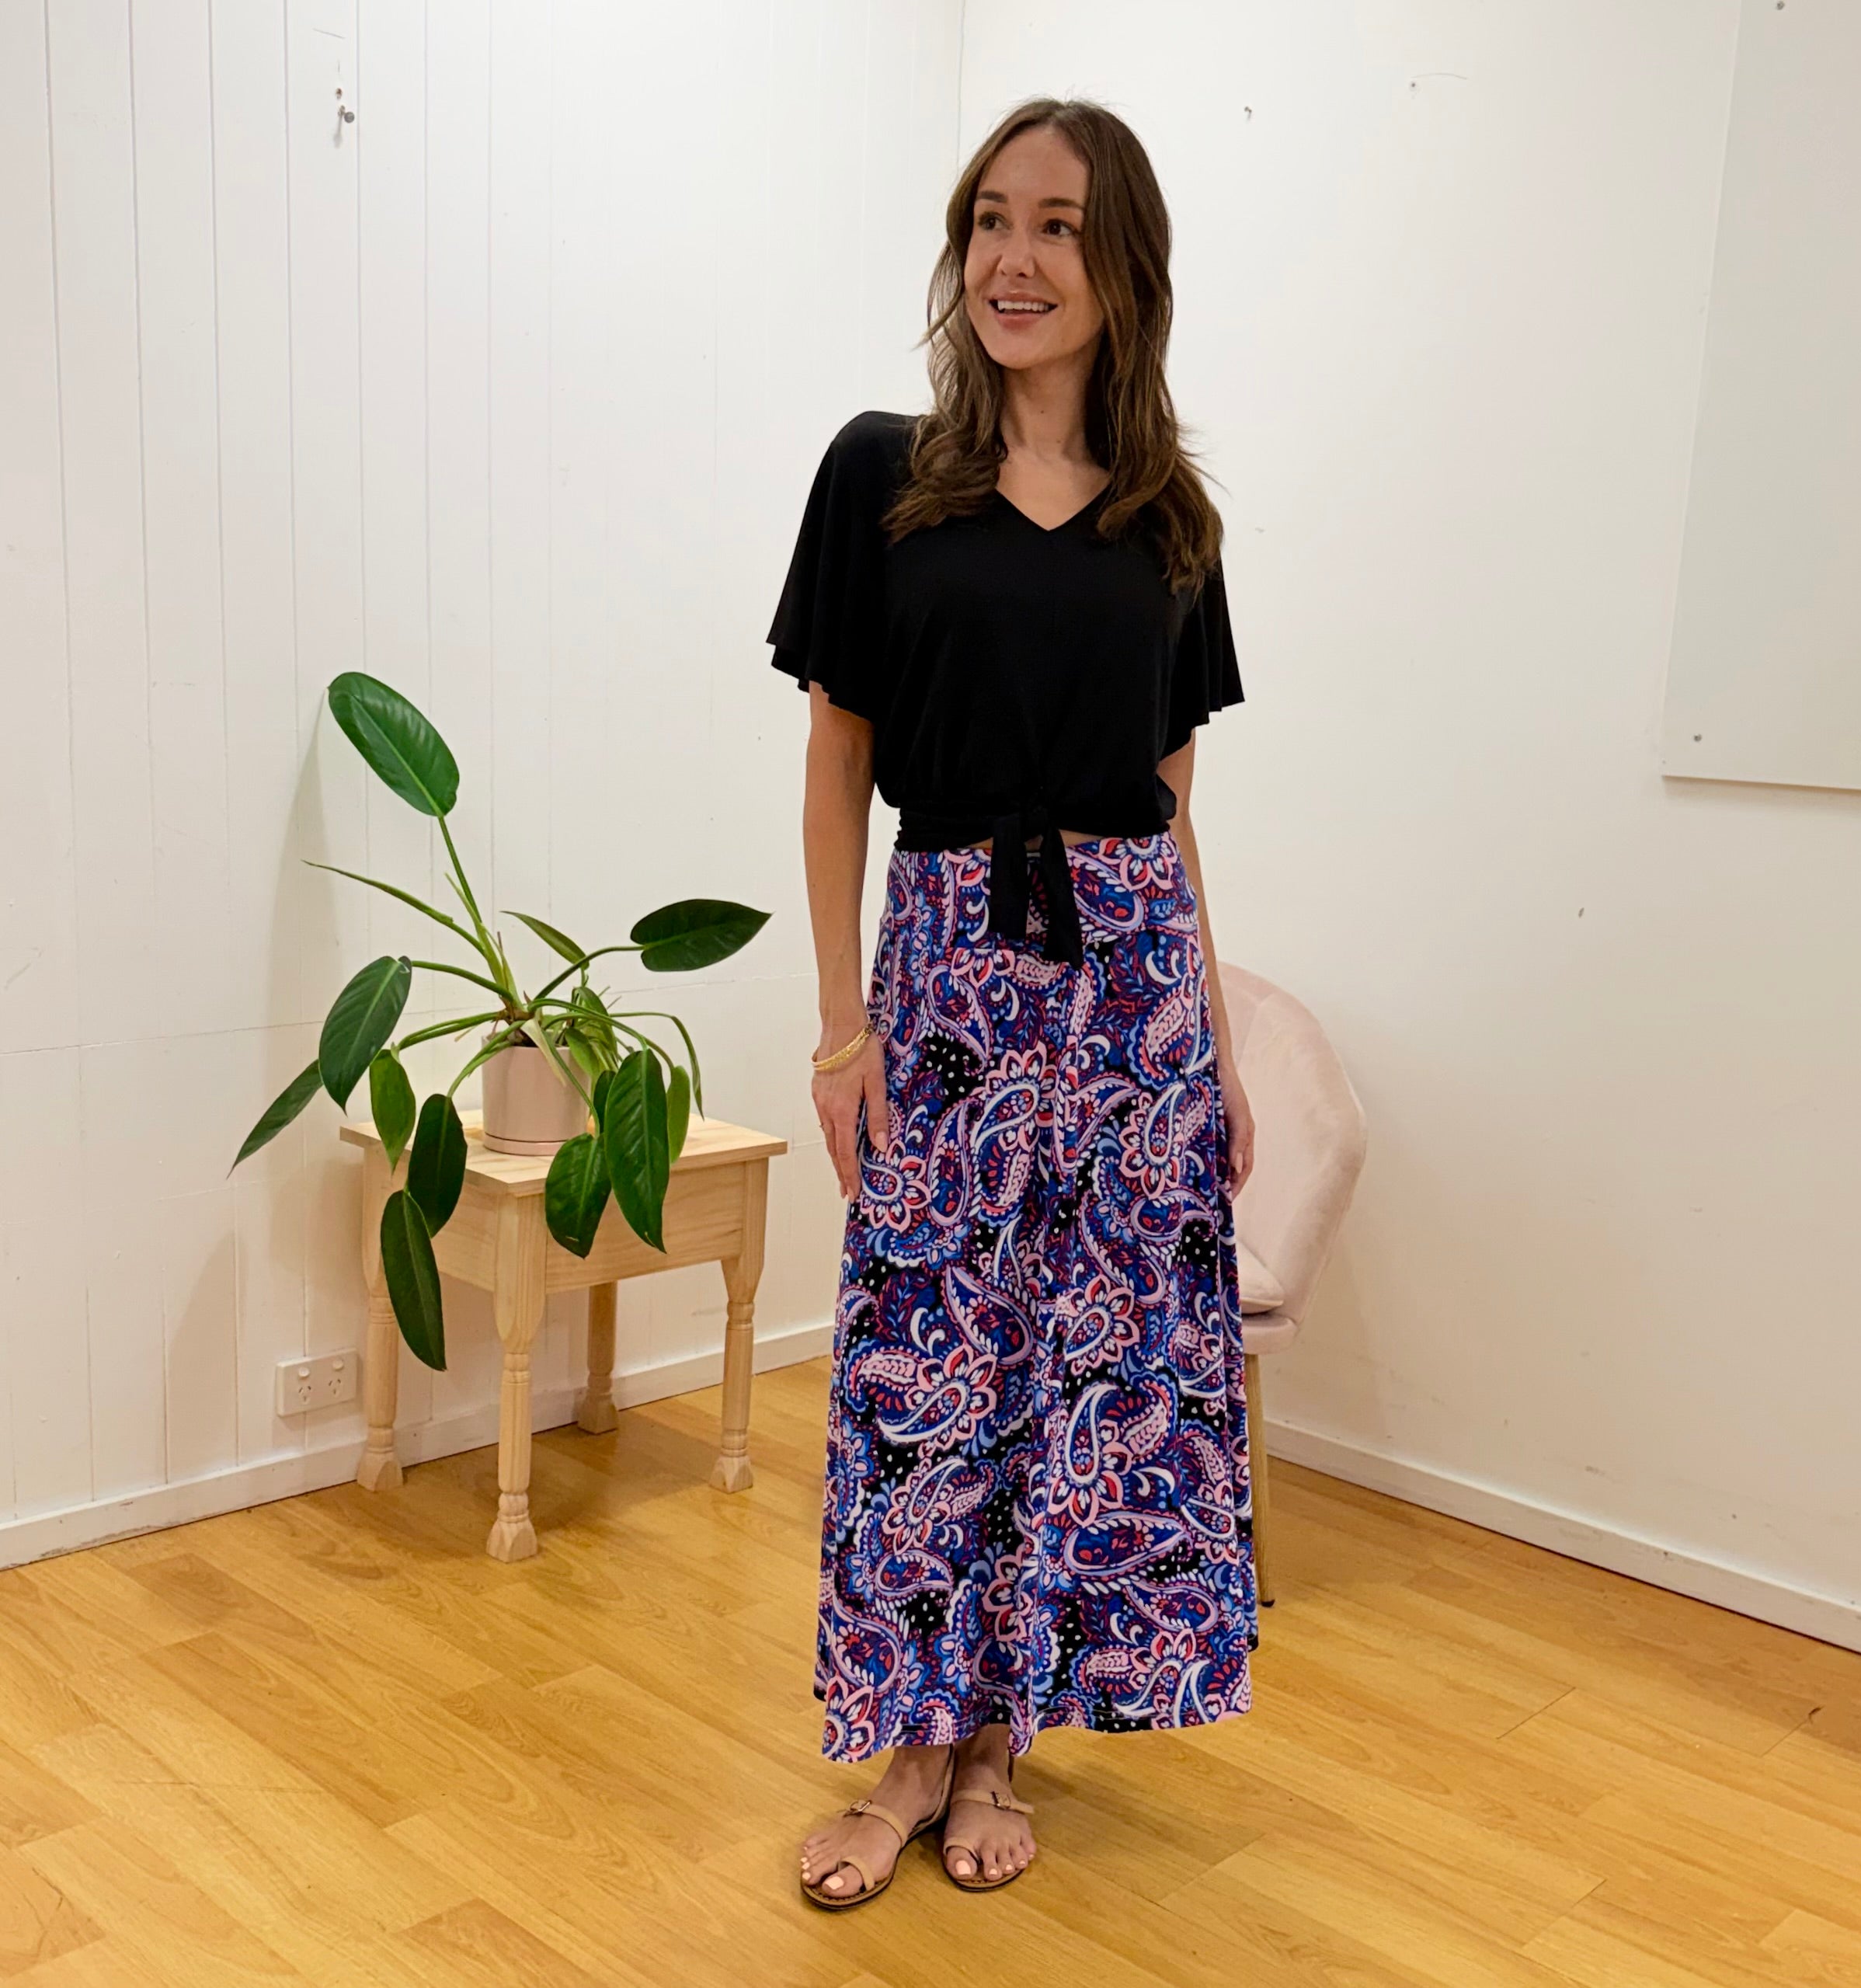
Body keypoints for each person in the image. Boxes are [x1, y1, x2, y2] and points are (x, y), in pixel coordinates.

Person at [767, 95, 1258, 1910]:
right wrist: (840, 1026)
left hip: (1128, 977)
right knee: (928, 1362)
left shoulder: (1168, 520)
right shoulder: (881, 475)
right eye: (988, 218)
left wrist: (1204, 1042)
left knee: (1086, 1365)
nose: (1011, 258)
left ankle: (996, 1741)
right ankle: (904, 1742)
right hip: (953, 956)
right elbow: (835, 770)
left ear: (1120, 266)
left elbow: (1173, 800)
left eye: (1055, 224)